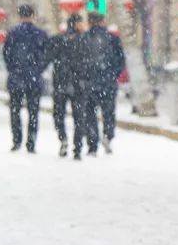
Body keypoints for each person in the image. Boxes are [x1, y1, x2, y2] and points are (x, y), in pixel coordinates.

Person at [2, 4, 49, 152]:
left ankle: (17, 140)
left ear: (19, 15)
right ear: (32, 15)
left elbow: (6, 54)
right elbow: (46, 55)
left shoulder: (12, 33)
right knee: (33, 112)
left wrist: (13, 69)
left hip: (16, 77)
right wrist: (38, 70)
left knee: (15, 110)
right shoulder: (40, 34)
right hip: (34, 78)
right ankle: (31, 142)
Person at [84, 12, 125, 154]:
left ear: (89, 22)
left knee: (90, 113)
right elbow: (121, 60)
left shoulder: (84, 38)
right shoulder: (113, 38)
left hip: (89, 83)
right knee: (109, 112)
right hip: (108, 83)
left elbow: (79, 61)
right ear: (102, 21)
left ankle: (92, 142)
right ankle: (108, 136)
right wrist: (113, 75)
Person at [46, 14, 84, 157]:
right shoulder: (83, 41)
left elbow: (47, 57)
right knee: (79, 117)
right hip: (78, 84)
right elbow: (89, 64)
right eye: (81, 23)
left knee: (58, 115)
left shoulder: (57, 40)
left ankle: (63, 138)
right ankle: (77, 148)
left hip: (60, 84)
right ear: (76, 24)